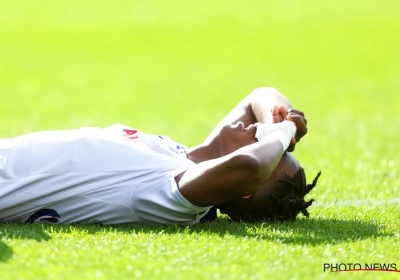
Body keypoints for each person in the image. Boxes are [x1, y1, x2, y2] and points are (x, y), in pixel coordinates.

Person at [0, 87, 320, 225]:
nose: (258, 132)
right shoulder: (180, 156)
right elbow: (260, 95)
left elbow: (249, 164)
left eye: (266, 147)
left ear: (244, 186)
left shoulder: (175, 197)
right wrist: (281, 121)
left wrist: (279, 136)